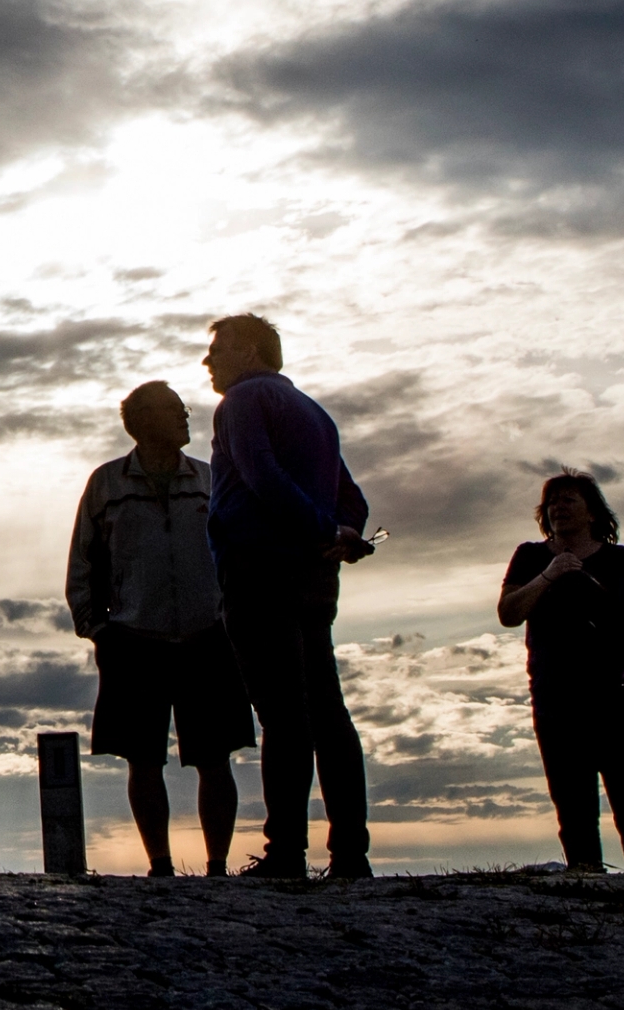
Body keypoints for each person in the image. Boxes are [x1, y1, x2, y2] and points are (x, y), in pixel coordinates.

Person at [200, 313, 373, 879]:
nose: (209, 360)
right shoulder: (314, 413)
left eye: (218, 348)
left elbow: (260, 474)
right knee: (327, 711)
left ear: (252, 351)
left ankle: (286, 854)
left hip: (260, 572)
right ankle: (350, 854)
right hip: (314, 578)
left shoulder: (241, 404)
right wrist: (342, 534)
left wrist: (326, 532)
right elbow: (353, 496)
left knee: (283, 715)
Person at [65, 381, 250, 874]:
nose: (185, 417)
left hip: (208, 637)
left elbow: (238, 554)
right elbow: (83, 561)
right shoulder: (106, 484)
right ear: (142, 421)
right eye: (174, 410)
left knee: (215, 758)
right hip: (132, 640)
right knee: (142, 759)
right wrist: (96, 628)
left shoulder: (211, 480)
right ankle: (160, 864)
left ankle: (217, 866)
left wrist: (234, 618)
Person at [498, 473, 624, 873]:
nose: (558, 507)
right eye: (552, 501)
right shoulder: (530, 556)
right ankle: (585, 889)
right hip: (556, 697)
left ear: (592, 511)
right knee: (573, 805)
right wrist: (550, 575)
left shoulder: (622, 560)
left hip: (619, 698)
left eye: (569, 499)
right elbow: (508, 613)